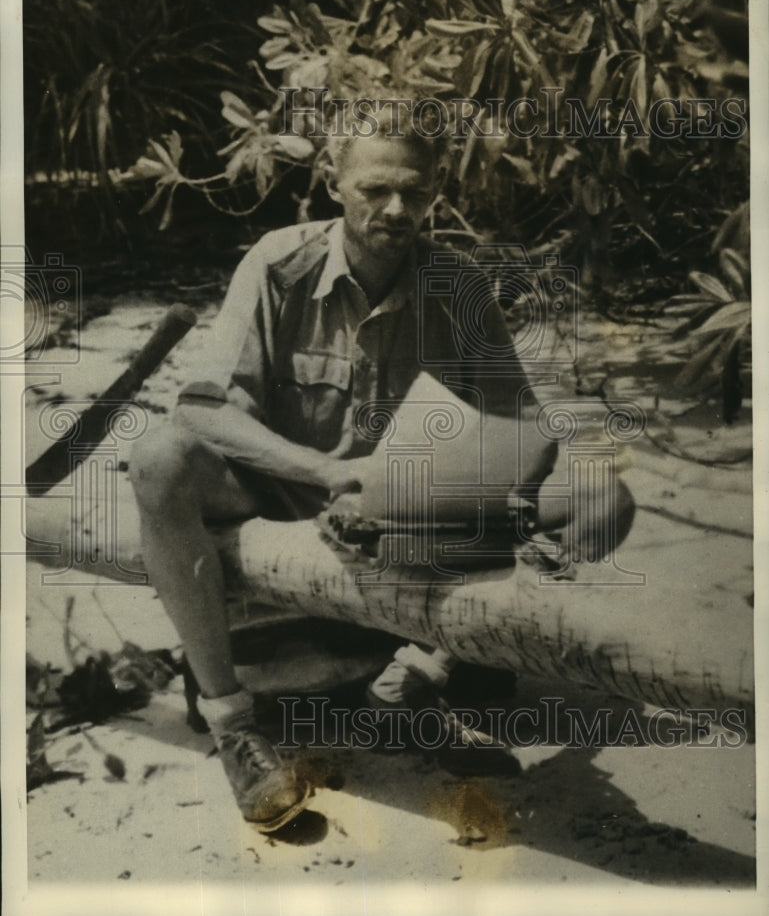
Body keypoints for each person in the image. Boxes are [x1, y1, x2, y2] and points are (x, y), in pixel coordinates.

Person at [130, 104, 633, 832]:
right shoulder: (276, 263)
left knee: (600, 499)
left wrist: (452, 488)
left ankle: (422, 672)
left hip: (406, 508)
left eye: (416, 192)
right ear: (335, 184)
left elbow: (524, 425)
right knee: (157, 459)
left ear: (434, 193)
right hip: (281, 487)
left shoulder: (457, 286)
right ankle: (234, 722)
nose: (396, 209)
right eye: (375, 189)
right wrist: (328, 472)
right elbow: (203, 407)